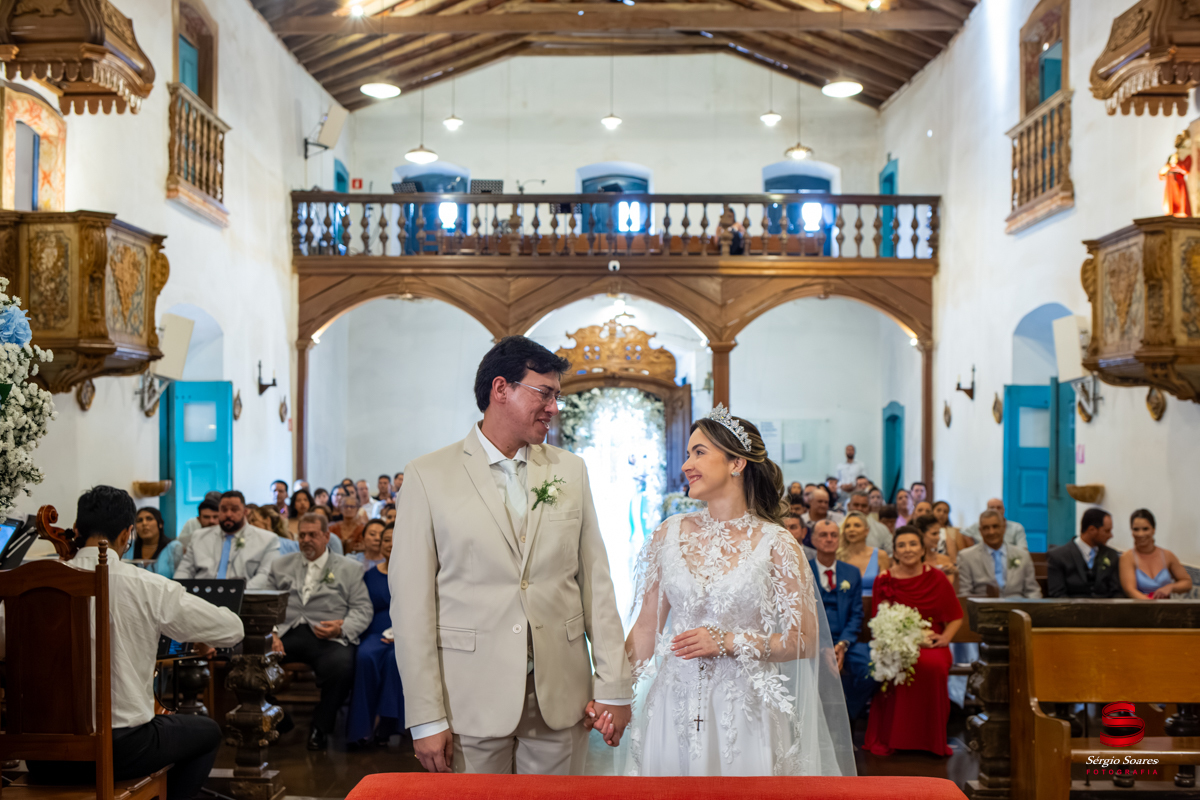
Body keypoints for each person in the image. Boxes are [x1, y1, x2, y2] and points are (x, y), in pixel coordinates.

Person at [392, 335, 632, 775]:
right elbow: (411, 607)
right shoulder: (428, 476)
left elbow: (596, 585)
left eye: (557, 396)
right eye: (545, 393)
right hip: (469, 698)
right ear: (501, 389)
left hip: (560, 696)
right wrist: (425, 715)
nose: (554, 407)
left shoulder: (569, 470)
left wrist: (614, 685)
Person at [624, 407, 854, 776]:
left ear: (737, 463)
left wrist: (728, 641)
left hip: (745, 712)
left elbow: (805, 640)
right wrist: (614, 693)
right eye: (688, 454)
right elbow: (646, 628)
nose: (686, 465)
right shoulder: (669, 533)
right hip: (673, 705)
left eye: (699, 452)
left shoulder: (776, 543)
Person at [13, 486, 244, 800]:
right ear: (127, 534)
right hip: (121, 749)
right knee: (207, 732)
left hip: (43, 757)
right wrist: (190, 632)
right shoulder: (146, 585)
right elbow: (232, 630)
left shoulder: (28, 586)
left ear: (77, 530)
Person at [268, 513, 373, 750]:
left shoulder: (350, 568)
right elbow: (267, 603)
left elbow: (363, 609)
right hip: (286, 632)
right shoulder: (280, 565)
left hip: (328, 635)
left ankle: (321, 726)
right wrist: (271, 633)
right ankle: (278, 717)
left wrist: (342, 628)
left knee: (342, 667)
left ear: (326, 536)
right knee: (245, 658)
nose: (306, 540)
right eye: (302, 535)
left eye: (312, 535)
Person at [864, 526, 963, 757]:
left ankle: (930, 740)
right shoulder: (884, 580)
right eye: (901, 545)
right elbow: (880, 622)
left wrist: (945, 638)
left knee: (934, 666)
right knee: (900, 663)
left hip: (932, 641)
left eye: (912, 544)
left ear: (922, 549)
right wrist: (910, 639)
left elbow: (956, 616)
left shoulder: (937, 577)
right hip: (896, 642)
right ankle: (897, 738)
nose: (907, 549)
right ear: (895, 552)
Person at [808, 519, 876, 721]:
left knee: (871, 668)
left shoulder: (851, 573)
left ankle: (847, 713)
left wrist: (842, 644)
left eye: (834, 535)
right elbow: (801, 615)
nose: (829, 539)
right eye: (823, 535)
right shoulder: (803, 571)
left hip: (846, 640)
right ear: (813, 540)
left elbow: (856, 614)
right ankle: (815, 718)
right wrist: (823, 646)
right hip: (812, 641)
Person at [346, 523, 406, 747]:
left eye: (394, 539)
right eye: (386, 540)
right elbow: (361, 607)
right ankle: (362, 727)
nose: (390, 544)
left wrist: (401, 633)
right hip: (374, 632)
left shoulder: (413, 573)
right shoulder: (369, 575)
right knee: (365, 656)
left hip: (404, 632)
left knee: (394, 659)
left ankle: (387, 723)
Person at [174, 491, 280, 588]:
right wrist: (180, 591)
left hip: (245, 597)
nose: (228, 514)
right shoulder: (199, 537)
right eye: (224, 510)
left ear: (245, 512)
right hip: (201, 596)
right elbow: (184, 571)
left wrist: (238, 593)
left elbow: (265, 575)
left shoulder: (267, 540)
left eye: (234, 510)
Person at [957, 510, 1041, 598]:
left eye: (995, 526)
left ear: (1004, 528)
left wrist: (1033, 606)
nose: (991, 532)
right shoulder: (966, 556)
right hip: (984, 605)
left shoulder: (1022, 555)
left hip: (1017, 604)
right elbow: (965, 594)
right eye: (986, 528)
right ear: (980, 531)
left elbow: (1032, 591)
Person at [1046, 508, 1122, 598]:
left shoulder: (1111, 555)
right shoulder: (1058, 556)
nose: (1110, 535)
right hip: (1072, 605)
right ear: (1091, 530)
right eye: (1106, 531)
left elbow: (1116, 591)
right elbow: (1058, 594)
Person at [1119, 509, 1192, 600]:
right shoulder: (1127, 558)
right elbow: (1130, 591)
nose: (1140, 534)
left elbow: (1187, 583)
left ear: (1153, 530)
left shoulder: (1167, 555)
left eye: (1145, 529)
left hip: (1166, 607)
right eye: (1136, 529)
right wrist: (1153, 605)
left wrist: (1170, 587)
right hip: (1140, 606)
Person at [837, 510, 890, 597]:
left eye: (857, 525)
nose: (851, 529)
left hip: (874, 602)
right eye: (847, 526)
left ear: (867, 531)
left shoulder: (881, 555)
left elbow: (886, 588)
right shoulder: (838, 556)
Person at [123, 507, 183, 577]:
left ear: (160, 524)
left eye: (149, 519)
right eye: (139, 520)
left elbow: (180, 577)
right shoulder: (128, 546)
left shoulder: (174, 547)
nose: (144, 523)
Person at [913, 513, 958, 592]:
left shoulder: (945, 559)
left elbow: (953, 591)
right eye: (934, 534)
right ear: (921, 534)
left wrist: (956, 574)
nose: (938, 538)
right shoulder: (912, 561)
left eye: (939, 533)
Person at [961, 498, 1027, 550]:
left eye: (999, 507)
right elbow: (964, 532)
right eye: (992, 508)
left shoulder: (1016, 527)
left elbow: (1023, 549)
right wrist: (973, 548)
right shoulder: (978, 525)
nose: (995, 510)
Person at [847, 490, 892, 556]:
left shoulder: (881, 529)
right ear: (848, 506)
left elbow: (891, 552)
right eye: (856, 505)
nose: (859, 509)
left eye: (864, 506)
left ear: (870, 508)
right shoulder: (838, 528)